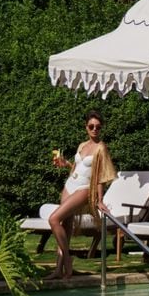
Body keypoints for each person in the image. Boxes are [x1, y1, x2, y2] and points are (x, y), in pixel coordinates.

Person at [46, 110, 115, 280]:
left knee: (53, 219)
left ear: (101, 128)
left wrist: (100, 199)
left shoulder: (101, 148)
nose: (94, 129)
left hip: (84, 188)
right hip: (70, 185)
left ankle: (67, 259)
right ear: (86, 127)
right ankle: (59, 270)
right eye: (91, 126)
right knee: (65, 225)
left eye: (98, 127)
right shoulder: (82, 145)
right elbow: (77, 168)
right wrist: (65, 163)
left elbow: (101, 176)